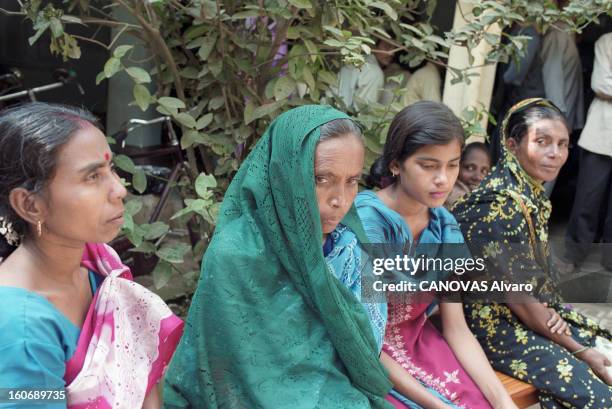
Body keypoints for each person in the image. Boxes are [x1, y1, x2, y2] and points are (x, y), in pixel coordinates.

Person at [163, 105, 394, 409]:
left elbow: (367, 349)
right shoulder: (236, 252)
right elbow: (224, 371)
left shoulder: (351, 248)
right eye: (321, 179)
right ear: (284, 174)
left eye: (352, 181)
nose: (339, 200)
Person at [0, 102, 184, 408]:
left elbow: (139, 376)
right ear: (30, 205)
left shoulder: (99, 264)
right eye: (92, 177)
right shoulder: (22, 328)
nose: (120, 190)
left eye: (110, 169)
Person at [452, 98, 612, 409]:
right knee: (599, 396)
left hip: (527, 313)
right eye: (542, 142)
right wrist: (581, 351)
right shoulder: (498, 204)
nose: (556, 154)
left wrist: (559, 324)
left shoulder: (527, 192)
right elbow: (518, 299)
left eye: (563, 144)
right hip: (494, 328)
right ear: (512, 145)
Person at [358, 101, 516, 409]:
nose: (443, 179)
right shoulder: (366, 224)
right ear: (395, 163)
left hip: (422, 345)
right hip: (366, 357)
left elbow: (456, 328)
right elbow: (364, 339)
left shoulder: (445, 227)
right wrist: (437, 406)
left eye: (452, 164)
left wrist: (503, 401)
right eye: (429, 166)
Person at [564, 32, 612, 272]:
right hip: (601, 135)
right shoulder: (607, 41)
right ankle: (573, 255)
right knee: (587, 200)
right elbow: (601, 84)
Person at [445, 142, 491, 208]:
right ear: (457, 166)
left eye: (484, 171)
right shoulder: (453, 195)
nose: (478, 177)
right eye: (470, 168)